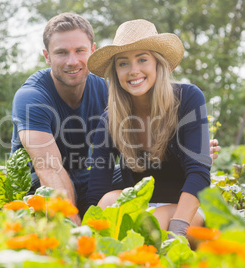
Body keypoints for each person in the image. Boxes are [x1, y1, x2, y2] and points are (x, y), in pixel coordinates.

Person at [11, 13, 221, 225]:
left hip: (100, 182)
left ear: (92, 50)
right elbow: (50, 169)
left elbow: (196, 171)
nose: (72, 61)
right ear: (47, 56)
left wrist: (193, 154)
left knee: (165, 188)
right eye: (62, 52)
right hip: (46, 187)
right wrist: (79, 231)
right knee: (107, 199)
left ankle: (176, 216)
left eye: (79, 51)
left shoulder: (114, 91)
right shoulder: (33, 98)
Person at [83, 19, 212, 238]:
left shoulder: (188, 98)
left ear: (157, 63)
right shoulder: (109, 120)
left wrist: (178, 228)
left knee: (153, 224)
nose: (133, 71)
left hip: (186, 209)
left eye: (142, 59)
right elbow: (97, 190)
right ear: (115, 72)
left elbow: (199, 173)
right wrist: (87, 234)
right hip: (143, 208)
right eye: (123, 63)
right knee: (108, 202)